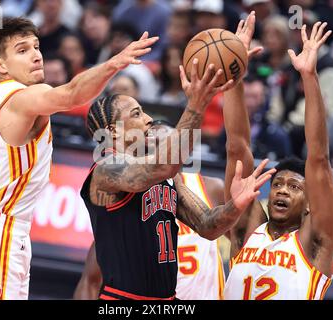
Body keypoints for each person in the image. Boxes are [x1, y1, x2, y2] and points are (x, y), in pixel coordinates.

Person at [0, 16, 159, 300]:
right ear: (1, 65)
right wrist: (115, 62)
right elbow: (72, 95)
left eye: (36, 46)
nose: (36, 55)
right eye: (22, 50)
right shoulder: (24, 96)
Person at [80, 58, 275, 299]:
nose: (149, 119)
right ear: (114, 131)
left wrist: (237, 204)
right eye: (137, 113)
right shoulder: (105, 170)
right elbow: (162, 166)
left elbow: (208, 226)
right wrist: (197, 103)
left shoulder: (169, 178)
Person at [223, 19, 333, 300]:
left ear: (310, 203)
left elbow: (319, 159)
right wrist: (236, 73)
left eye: (294, 187)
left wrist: (309, 76)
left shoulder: (314, 240)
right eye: (278, 184)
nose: (283, 190)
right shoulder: (248, 230)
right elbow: (236, 147)